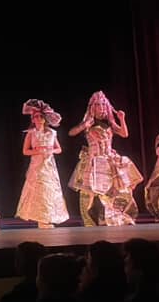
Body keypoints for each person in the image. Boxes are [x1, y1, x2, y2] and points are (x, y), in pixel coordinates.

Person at [67, 91, 144, 226]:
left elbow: (124, 134)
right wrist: (84, 125)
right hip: (93, 159)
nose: (100, 107)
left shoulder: (110, 123)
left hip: (108, 159)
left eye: (102, 104)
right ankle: (90, 220)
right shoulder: (88, 122)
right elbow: (71, 132)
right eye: (97, 105)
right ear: (92, 107)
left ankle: (113, 217)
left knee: (116, 190)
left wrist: (121, 118)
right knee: (90, 191)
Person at [15, 99, 69, 228]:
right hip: (37, 166)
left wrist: (51, 150)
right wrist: (37, 151)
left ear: (44, 119)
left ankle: (49, 217)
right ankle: (41, 219)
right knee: (39, 191)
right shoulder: (31, 134)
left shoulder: (52, 133)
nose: (38, 119)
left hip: (49, 166)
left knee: (49, 190)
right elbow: (25, 151)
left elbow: (59, 149)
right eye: (35, 117)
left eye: (40, 116)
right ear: (33, 120)